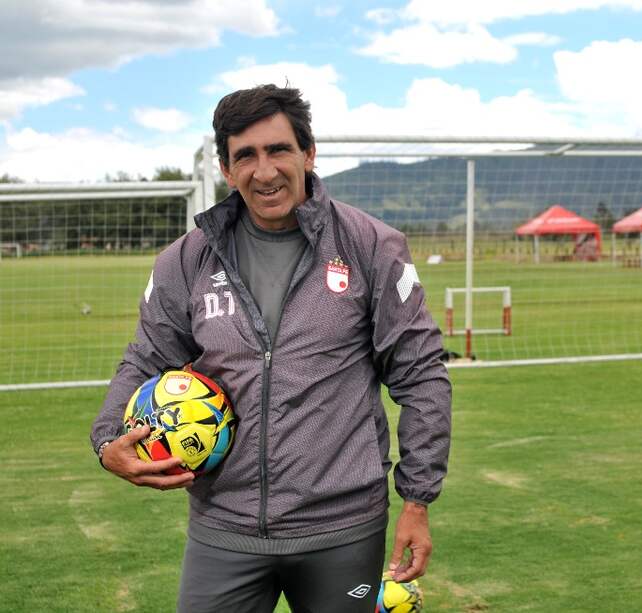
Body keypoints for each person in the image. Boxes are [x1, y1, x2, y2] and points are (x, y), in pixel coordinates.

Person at [89, 84, 451, 613]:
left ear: (308, 152)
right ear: (225, 168)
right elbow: (146, 357)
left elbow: (420, 374)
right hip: (223, 528)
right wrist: (106, 442)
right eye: (246, 156)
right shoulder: (186, 259)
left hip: (343, 532)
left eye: (279, 150)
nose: (265, 171)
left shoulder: (372, 245)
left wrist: (418, 498)